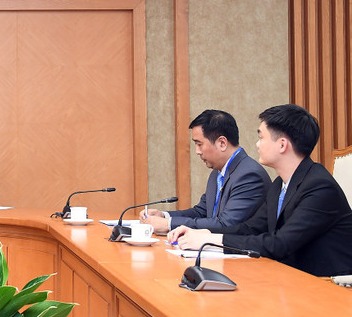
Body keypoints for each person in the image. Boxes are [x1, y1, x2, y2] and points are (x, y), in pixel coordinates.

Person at [169, 104, 352, 277]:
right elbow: (251, 228)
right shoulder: (280, 183)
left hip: (326, 286)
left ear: (282, 145)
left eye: (261, 137)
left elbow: (280, 244)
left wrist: (213, 242)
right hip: (290, 279)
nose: (257, 144)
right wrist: (206, 234)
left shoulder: (319, 187)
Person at [141, 110, 270, 234]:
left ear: (222, 143)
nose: (197, 151)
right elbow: (201, 212)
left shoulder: (249, 176)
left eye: (199, 144)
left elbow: (226, 224)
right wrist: (163, 216)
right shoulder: (217, 173)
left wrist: (168, 224)